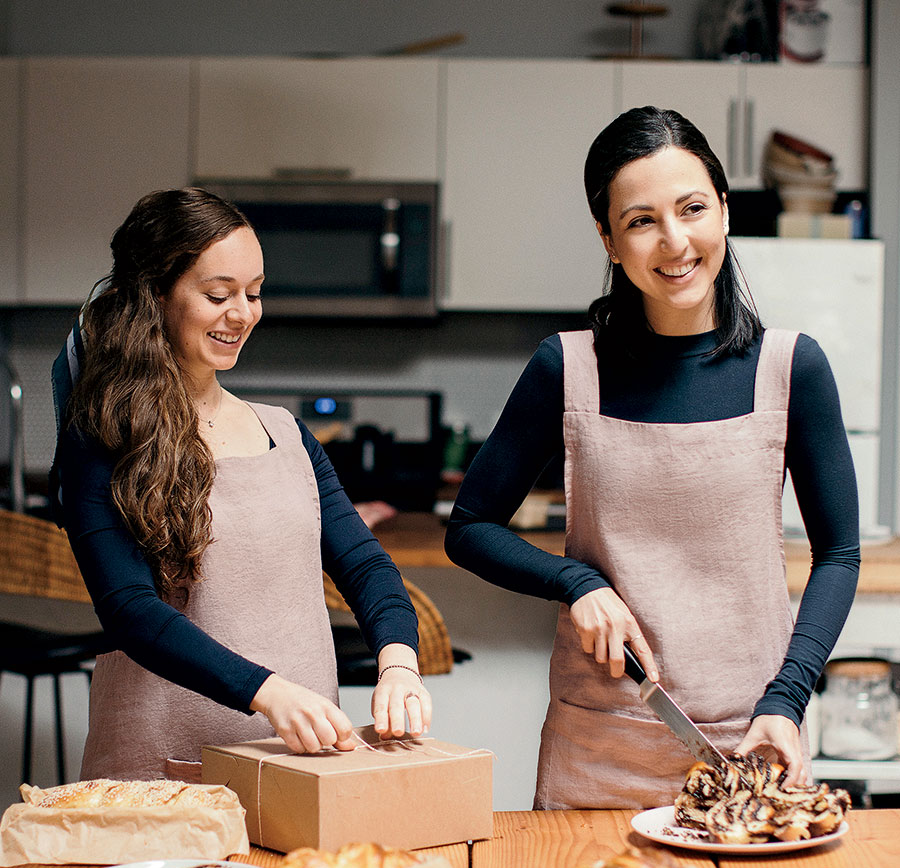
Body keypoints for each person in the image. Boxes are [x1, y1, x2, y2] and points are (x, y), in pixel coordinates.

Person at [444, 107, 860, 809]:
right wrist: (576, 582)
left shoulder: (793, 368)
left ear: (724, 212)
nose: (675, 241)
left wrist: (787, 701)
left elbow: (839, 554)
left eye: (692, 208)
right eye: (641, 221)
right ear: (609, 239)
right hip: (599, 752)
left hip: (754, 744)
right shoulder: (566, 367)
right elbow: (470, 527)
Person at [51, 187, 432, 782]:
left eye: (253, 293)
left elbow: (366, 565)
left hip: (296, 764)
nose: (243, 313)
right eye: (217, 294)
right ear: (155, 294)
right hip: (164, 768)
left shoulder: (284, 432)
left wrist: (399, 662)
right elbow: (131, 611)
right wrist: (268, 692)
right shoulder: (102, 435)